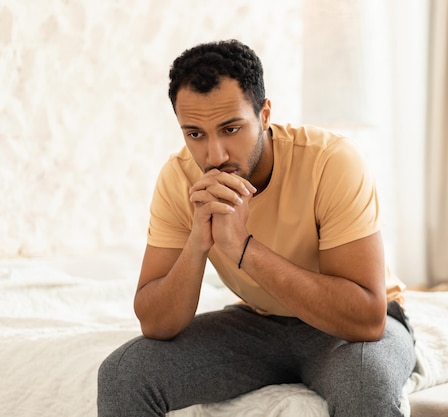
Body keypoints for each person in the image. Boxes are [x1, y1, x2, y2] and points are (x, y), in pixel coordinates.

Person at [97, 39, 416, 417]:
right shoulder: (177, 179)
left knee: (365, 384)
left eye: (231, 129)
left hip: (343, 331)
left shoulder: (330, 161)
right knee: (122, 374)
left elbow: (365, 319)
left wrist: (242, 249)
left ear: (264, 115)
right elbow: (155, 322)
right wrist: (198, 243)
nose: (214, 156)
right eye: (195, 134)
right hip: (259, 323)